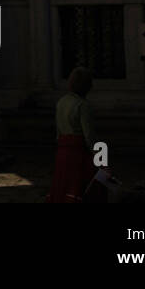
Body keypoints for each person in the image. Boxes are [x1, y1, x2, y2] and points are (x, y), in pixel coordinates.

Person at [50, 66, 97, 203]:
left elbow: (58, 131)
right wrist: (100, 158)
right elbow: (89, 136)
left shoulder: (61, 102)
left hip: (63, 152)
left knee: (63, 188)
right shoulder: (83, 105)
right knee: (79, 189)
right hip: (79, 154)